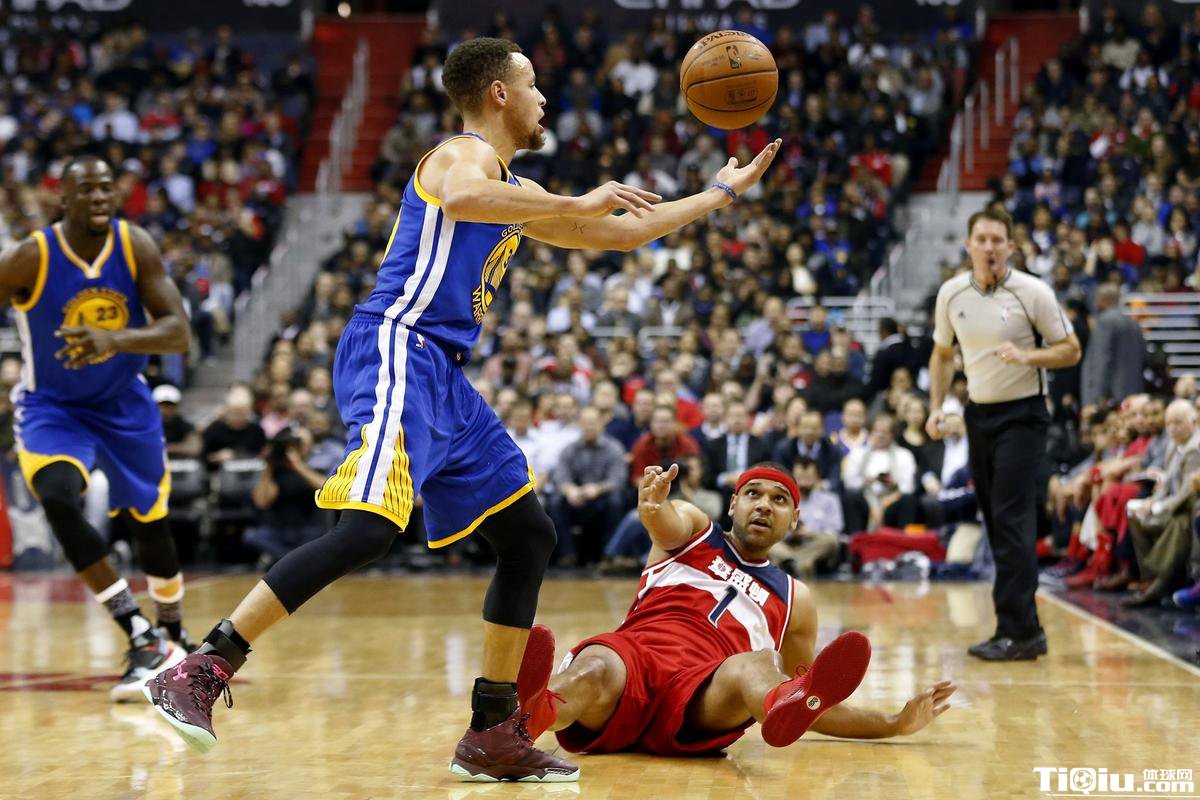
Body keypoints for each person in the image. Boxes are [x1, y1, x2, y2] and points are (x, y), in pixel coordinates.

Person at [145, 37, 781, 782]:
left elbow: (621, 233)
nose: (544, 98)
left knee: (528, 535)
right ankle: (202, 666)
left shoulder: (513, 189)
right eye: (533, 84)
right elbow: (460, 198)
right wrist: (572, 201)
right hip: (397, 347)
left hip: (443, 375)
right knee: (368, 529)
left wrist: (719, 193)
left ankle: (492, 730)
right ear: (499, 93)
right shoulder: (460, 154)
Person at [511, 462, 956, 758]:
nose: (763, 504)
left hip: (704, 694)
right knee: (595, 665)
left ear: (794, 520)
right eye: (753, 494)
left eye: (779, 500)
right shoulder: (695, 529)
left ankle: (774, 707)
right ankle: (529, 717)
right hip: (634, 664)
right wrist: (652, 508)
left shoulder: (796, 598)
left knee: (760, 666)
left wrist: (892, 723)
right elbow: (665, 523)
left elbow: (810, 698)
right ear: (732, 504)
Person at [0, 154, 194, 699]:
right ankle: (139, 632)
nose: (100, 197)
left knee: (150, 524)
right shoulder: (30, 257)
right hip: (53, 407)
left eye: (106, 188)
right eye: (86, 190)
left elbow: (178, 332)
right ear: (63, 199)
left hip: (124, 403)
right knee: (57, 497)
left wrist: (116, 339)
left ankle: (173, 635)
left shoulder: (135, 245)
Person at [927, 207, 1081, 661]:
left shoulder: (1033, 292)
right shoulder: (952, 293)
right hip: (979, 414)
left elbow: (1071, 349)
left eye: (998, 240)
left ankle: (1019, 630)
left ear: (1011, 247)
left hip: (1024, 414)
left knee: (1011, 518)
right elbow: (942, 354)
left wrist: (1029, 356)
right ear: (969, 245)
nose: (990, 247)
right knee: (996, 520)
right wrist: (936, 407)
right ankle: (1021, 628)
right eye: (982, 240)